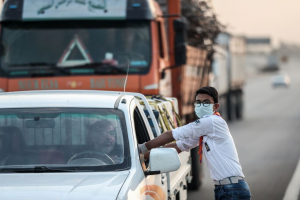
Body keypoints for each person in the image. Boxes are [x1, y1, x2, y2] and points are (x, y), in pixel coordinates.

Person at [139, 87, 251, 200]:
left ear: (216, 106)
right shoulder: (207, 130)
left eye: (206, 102)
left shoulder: (211, 122)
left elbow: (170, 135)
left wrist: (141, 148)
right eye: (198, 102)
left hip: (232, 190)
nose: (201, 105)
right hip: (227, 189)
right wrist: (144, 156)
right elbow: (180, 145)